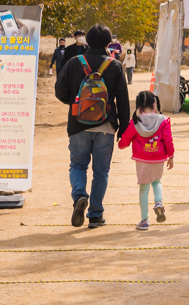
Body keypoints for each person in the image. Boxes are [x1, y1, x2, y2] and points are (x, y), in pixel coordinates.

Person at [55, 24, 130, 229]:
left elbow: (60, 92)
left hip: (78, 125)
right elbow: (123, 100)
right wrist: (123, 128)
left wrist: (76, 104)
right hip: (106, 126)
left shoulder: (73, 62)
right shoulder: (114, 65)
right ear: (108, 43)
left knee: (78, 165)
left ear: (86, 40)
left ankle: (79, 195)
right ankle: (95, 215)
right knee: (101, 172)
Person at [118, 91, 174, 231]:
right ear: (154, 103)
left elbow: (125, 140)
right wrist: (171, 155)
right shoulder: (163, 120)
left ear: (138, 106)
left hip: (142, 160)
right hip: (158, 158)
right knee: (157, 182)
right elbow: (168, 139)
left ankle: (144, 220)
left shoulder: (135, 122)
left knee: (144, 188)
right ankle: (159, 203)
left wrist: (121, 145)